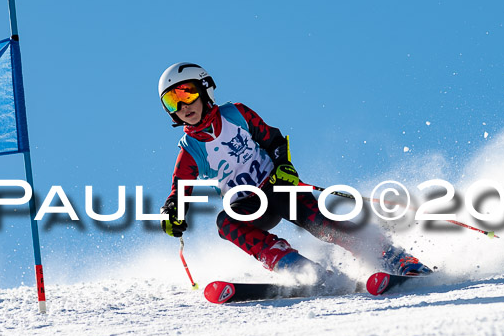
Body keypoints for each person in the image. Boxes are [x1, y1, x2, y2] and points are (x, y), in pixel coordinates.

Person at [158, 62, 432, 282]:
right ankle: (294, 266)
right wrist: (173, 212)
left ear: (205, 89)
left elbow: (274, 140)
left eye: (186, 93)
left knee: (321, 224)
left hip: (278, 185)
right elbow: (180, 189)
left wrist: (284, 167)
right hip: (249, 205)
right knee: (225, 223)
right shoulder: (191, 148)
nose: (182, 106)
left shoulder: (236, 115)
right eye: (172, 102)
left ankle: (391, 256)